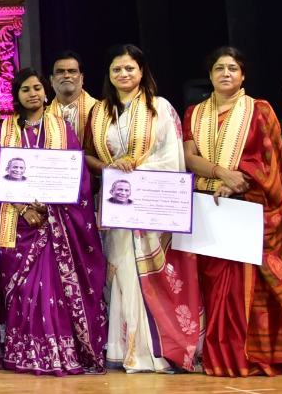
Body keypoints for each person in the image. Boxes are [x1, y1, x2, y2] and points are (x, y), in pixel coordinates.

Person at [183, 47, 282, 377]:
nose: (226, 73)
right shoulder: (194, 113)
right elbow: (188, 157)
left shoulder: (259, 110)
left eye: (233, 68)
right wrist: (222, 174)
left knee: (242, 288)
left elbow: (269, 160)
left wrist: (238, 182)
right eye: (219, 68)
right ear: (210, 76)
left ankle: (245, 357)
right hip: (207, 208)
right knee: (212, 286)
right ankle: (215, 356)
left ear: (243, 75)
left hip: (247, 209)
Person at [86, 44, 202, 373]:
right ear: (109, 75)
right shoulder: (99, 112)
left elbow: (171, 157)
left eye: (130, 68)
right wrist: (111, 168)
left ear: (141, 71)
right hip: (117, 207)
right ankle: (127, 349)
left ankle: (157, 351)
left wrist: (136, 170)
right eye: (117, 69)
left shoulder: (159, 107)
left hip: (152, 207)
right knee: (122, 271)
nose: (123, 74)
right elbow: (90, 156)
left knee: (149, 275)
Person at [0, 68, 107, 376]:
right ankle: (24, 352)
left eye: (37, 88)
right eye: (25, 89)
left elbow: (76, 174)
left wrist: (50, 204)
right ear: (17, 96)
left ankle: (59, 352)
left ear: (45, 91)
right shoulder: (3, 129)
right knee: (23, 288)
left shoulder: (62, 127)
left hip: (56, 221)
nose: (33, 94)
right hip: (17, 220)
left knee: (54, 287)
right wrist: (22, 207)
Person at [49, 51, 97, 137]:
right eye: (60, 72)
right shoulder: (44, 115)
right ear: (51, 80)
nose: (66, 75)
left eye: (72, 71)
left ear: (81, 78)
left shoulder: (99, 110)